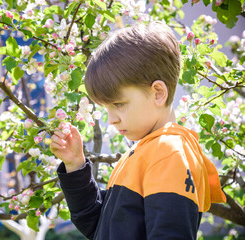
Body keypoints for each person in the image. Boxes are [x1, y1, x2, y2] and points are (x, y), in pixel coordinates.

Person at [50, 21, 226, 240]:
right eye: (106, 108)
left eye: (119, 104)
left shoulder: (169, 153)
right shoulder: (143, 152)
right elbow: (97, 226)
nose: (111, 120)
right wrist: (75, 165)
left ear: (158, 93)